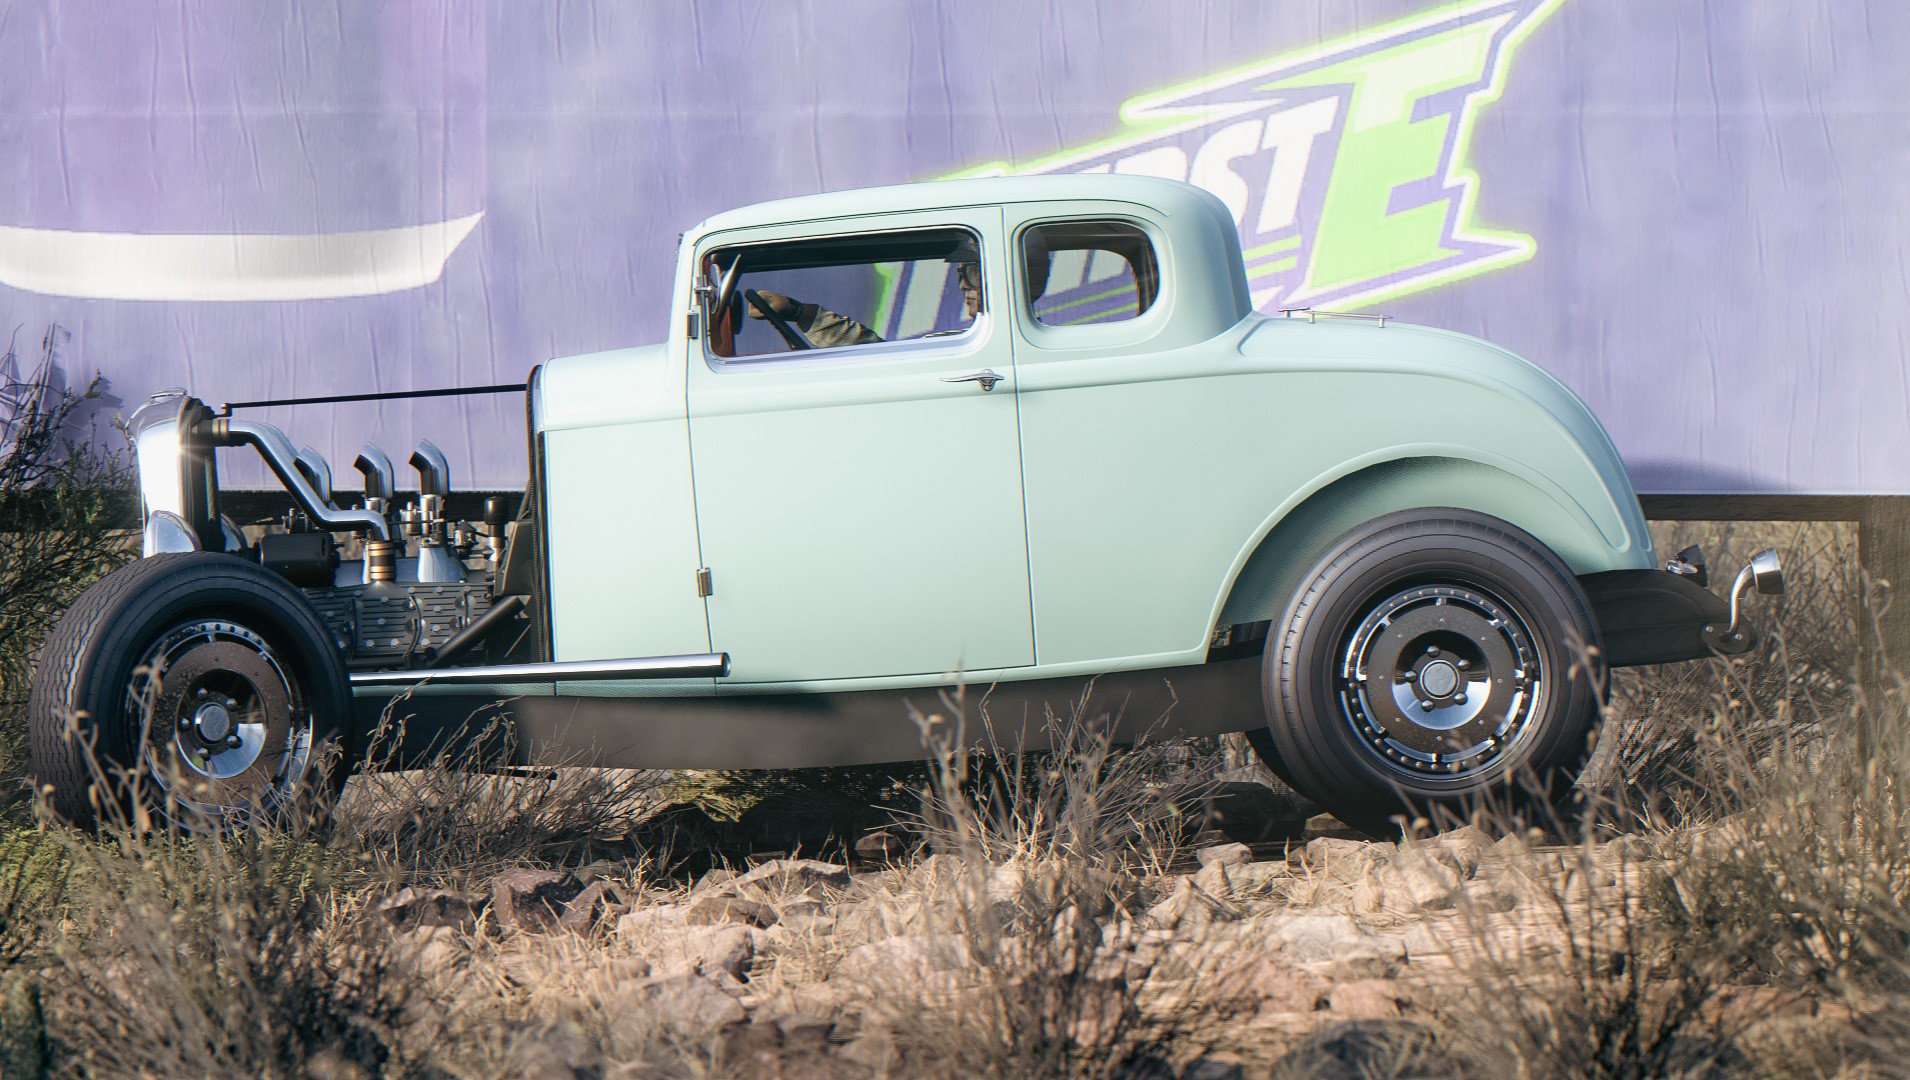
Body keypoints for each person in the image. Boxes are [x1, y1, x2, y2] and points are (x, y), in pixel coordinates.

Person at [746, 240, 982, 349]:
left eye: (972, 271)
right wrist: (797, 312)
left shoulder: (978, 345)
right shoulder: (961, 342)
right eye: (959, 274)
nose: (963, 285)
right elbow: (882, 361)